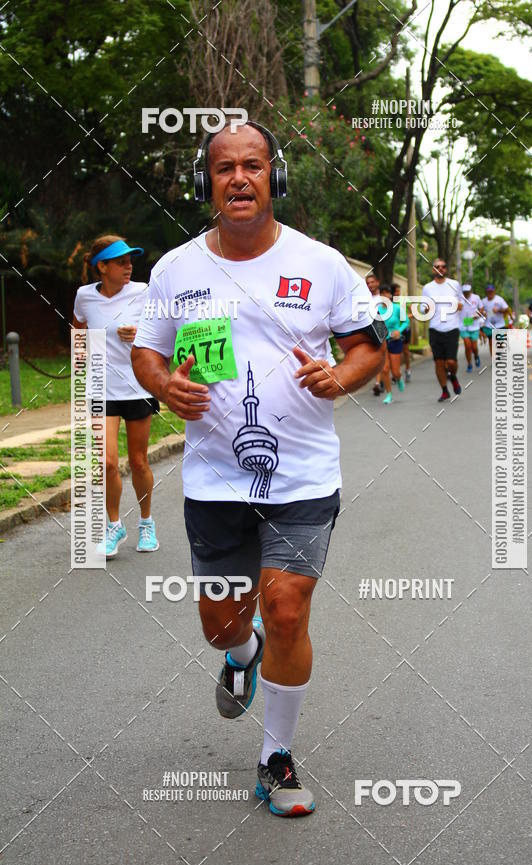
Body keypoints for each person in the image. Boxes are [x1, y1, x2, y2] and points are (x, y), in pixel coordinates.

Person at [131, 121, 384, 817]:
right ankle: (240, 655)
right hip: (215, 477)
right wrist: (164, 386)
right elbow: (148, 352)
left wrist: (341, 376)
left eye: (252, 165)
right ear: (205, 182)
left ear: (275, 176)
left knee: (287, 606)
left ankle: (276, 758)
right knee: (221, 620)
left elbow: (369, 348)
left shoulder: (323, 263)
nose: (238, 178)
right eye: (223, 168)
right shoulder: (176, 269)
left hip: (302, 476)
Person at [72, 235, 160, 557]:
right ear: (102, 267)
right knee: (106, 462)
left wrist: (140, 335)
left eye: (130, 261)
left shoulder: (143, 292)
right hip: (100, 388)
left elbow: (161, 331)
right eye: (121, 262)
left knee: (138, 461)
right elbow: (78, 327)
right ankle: (114, 525)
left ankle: (146, 522)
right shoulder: (84, 297)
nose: (129, 267)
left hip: (136, 386)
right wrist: (79, 357)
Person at [421, 258, 463, 402]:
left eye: (443, 266)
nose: (440, 269)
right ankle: (445, 390)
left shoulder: (454, 285)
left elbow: (462, 303)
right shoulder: (427, 288)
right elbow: (422, 308)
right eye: (437, 267)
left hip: (451, 327)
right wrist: (426, 308)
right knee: (439, 362)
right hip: (435, 328)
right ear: (433, 270)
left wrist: (459, 306)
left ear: (446, 269)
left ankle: (453, 376)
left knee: (450, 362)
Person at [379, 284, 404, 403]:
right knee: (384, 369)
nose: (385, 295)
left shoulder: (397, 308)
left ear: (390, 295)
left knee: (395, 371)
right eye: (382, 293)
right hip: (382, 342)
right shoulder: (376, 309)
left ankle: (399, 378)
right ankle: (389, 395)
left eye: (387, 293)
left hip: (395, 341)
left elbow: (406, 322)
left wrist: (399, 330)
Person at [366, 273, 385, 395]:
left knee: (381, 354)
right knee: (375, 355)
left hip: (381, 326)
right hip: (368, 328)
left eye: (372, 282)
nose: (370, 285)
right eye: (368, 283)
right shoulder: (365, 298)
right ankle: (378, 382)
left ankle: (379, 381)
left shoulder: (383, 298)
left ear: (377, 282)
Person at [459, 283, 483, 372]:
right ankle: (469, 364)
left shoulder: (476, 297)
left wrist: (478, 314)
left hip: (474, 324)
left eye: (467, 292)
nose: (466, 294)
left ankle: (476, 356)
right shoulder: (459, 298)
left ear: (470, 291)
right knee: (467, 346)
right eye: (464, 292)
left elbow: (481, 308)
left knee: (474, 347)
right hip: (463, 324)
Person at [480, 284, 508, 354]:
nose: (490, 293)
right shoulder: (483, 301)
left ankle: (500, 358)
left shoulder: (499, 299)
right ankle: (494, 361)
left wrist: (499, 310)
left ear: (494, 291)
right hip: (489, 325)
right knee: (491, 342)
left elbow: (506, 310)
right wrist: (483, 314)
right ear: (486, 292)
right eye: (488, 292)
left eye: (491, 291)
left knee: (500, 344)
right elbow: (480, 312)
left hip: (500, 325)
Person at [392, 282, 412, 381]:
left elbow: (413, 313)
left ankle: (408, 370)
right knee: (396, 352)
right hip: (394, 330)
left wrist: (406, 316)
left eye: (398, 291)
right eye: (395, 291)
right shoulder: (389, 302)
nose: (397, 293)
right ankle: (396, 372)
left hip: (404, 329)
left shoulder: (405, 300)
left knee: (405, 351)